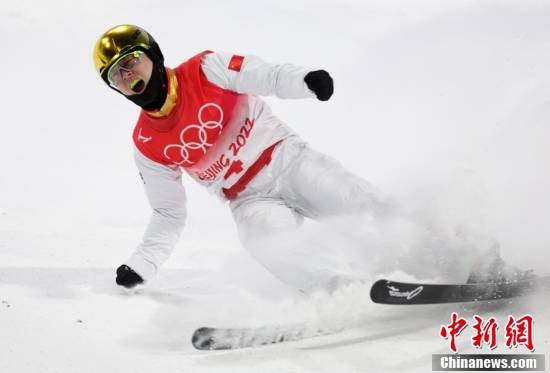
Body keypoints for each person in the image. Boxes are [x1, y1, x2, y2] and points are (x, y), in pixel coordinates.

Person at [93, 25, 529, 292]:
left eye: (132, 61)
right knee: (264, 241)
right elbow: (168, 214)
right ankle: (343, 294)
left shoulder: (205, 68)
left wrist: (306, 81)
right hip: (248, 198)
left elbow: (266, 73)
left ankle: (472, 259)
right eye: (118, 74)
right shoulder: (147, 143)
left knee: (367, 209)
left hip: (288, 161)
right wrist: (142, 266)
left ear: (152, 54)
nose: (129, 75)